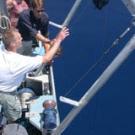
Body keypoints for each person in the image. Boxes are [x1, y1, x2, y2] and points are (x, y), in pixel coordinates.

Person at [0, 27, 69, 123]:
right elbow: (46, 59)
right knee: (15, 115)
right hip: (5, 93)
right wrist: (59, 39)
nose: (21, 39)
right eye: (19, 38)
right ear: (13, 44)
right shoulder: (19, 61)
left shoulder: (2, 47)